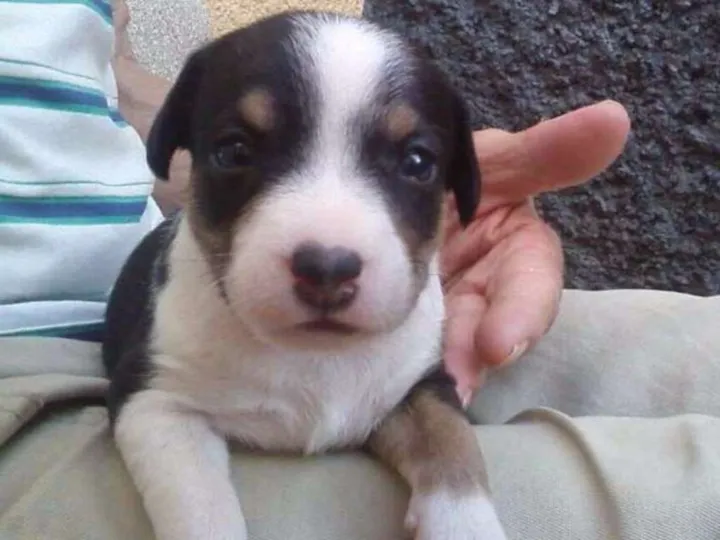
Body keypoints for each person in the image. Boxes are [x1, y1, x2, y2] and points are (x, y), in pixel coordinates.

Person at [0, 0, 718, 538]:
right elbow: (155, 402)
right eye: (238, 152)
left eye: (414, 161)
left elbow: (113, 78)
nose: (329, 251)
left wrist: (455, 493)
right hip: (35, 364)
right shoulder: (180, 336)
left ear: (456, 187)